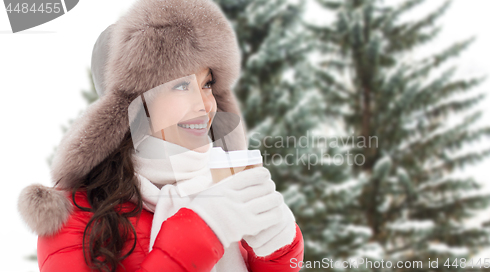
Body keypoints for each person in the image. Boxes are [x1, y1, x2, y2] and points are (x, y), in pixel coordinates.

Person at [17, 0, 304, 271]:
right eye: (181, 86)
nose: (205, 105)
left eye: (207, 84)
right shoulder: (74, 216)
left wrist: (279, 248)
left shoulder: (224, 187)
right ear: (135, 104)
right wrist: (200, 232)